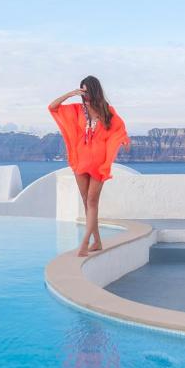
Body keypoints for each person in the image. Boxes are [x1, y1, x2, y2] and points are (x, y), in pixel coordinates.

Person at [48, 76, 130, 257]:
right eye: (81, 91)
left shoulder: (107, 110)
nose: (84, 95)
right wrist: (70, 94)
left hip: (99, 163)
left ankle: (85, 243)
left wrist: (122, 139)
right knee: (86, 202)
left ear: (94, 89)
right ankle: (97, 241)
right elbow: (52, 107)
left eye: (86, 91)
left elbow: (119, 129)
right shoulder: (77, 109)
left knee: (92, 201)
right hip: (80, 161)